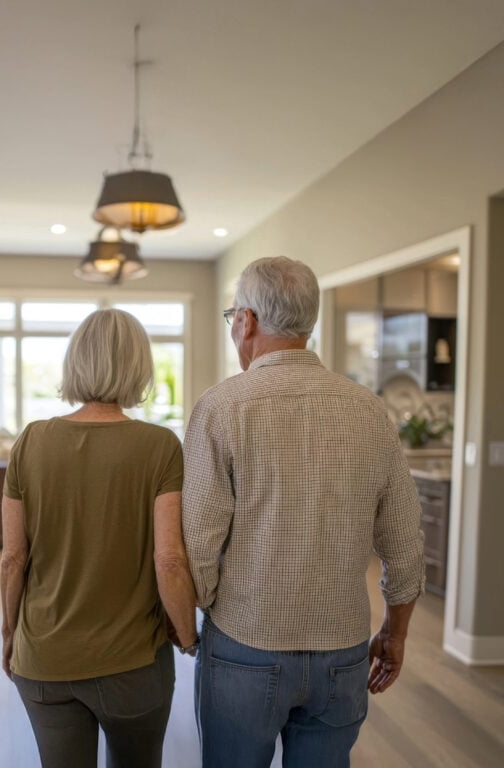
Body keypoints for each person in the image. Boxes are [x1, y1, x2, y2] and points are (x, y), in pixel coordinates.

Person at [182, 256, 425, 768]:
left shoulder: (221, 407)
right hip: (343, 650)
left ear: (246, 321)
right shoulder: (368, 411)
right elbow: (404, 546)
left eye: (232, 319)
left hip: (244, 645)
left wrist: (198, 615)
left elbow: (199, 546)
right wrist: (395, 632)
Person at [0, 308, 198, 768]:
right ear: (138, 367)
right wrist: (188, 637)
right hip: (133, 666)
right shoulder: (160, 445)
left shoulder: (31, 441)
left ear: (75, 362)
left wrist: (10, 633)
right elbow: (169, 560)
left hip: (45, 659)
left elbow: (13, 558)